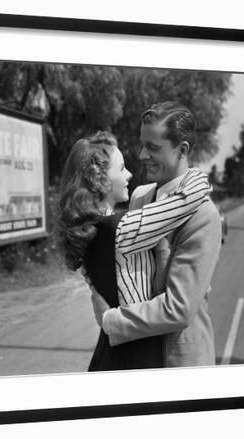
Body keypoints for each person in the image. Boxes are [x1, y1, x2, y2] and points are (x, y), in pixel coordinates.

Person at [57, 130, 212, 371]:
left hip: (111, 353)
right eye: (121, 169)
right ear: (99, 177)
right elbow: (186, 200)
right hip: (133, 359)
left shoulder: (89, 229)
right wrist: (195, 173)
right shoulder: (121, 229)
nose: (129, 174)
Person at [89, 102, 222, 367]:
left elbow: (179, 308)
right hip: (135, 355)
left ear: (182, 149)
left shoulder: (203, 216)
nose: (141, 154)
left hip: (177, 362)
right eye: (142, 144)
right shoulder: (139, 196)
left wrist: (111, 320)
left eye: (153, 147)